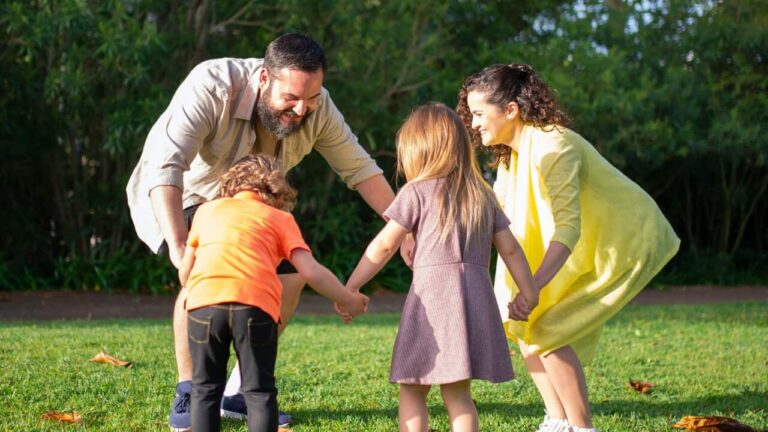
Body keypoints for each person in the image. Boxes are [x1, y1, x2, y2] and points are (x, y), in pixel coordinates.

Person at [126, 33, 409, 431]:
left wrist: (404, 226)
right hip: (193, 195)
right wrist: (177, 244)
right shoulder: (214, 84)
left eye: (311, 98)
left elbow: (360, 169)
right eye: (291, 98)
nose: (301, 109)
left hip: (258, 207)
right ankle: (189, 391)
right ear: (264, 79)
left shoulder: (317, 107)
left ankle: (239, 391)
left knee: (290, 279)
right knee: (206, 273)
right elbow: (166, 166)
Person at [456, 64, 681, 432]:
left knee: (547, 329)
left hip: (619, 246)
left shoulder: (553, 144)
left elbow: (568, 228)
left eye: (479, 113)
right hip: (573, 252)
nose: (474, 122)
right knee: (522, 325)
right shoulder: (511, 156)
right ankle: (558, 420)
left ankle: (582, 428)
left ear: (511, 110)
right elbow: (497, 218)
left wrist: (534, 287)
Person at [342, 103, 539, 432]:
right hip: (473, 302)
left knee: (412, 386)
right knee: (459, 393)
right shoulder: (482, 195)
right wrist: (529, 293)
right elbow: (512, 251)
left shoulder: (416, 192)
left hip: (432, 304)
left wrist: (351, 286)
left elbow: (384, 245)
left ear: (419, 150)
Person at [178, 154, 369, 432]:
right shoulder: (281, 218)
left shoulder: (207, 211)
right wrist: (348, 299)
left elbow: (186, 272)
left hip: (205, 307)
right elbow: (310, 271)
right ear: (277, 193)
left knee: (205, 389)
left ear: (230, 186)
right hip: (255, 308)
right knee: (259, 392)